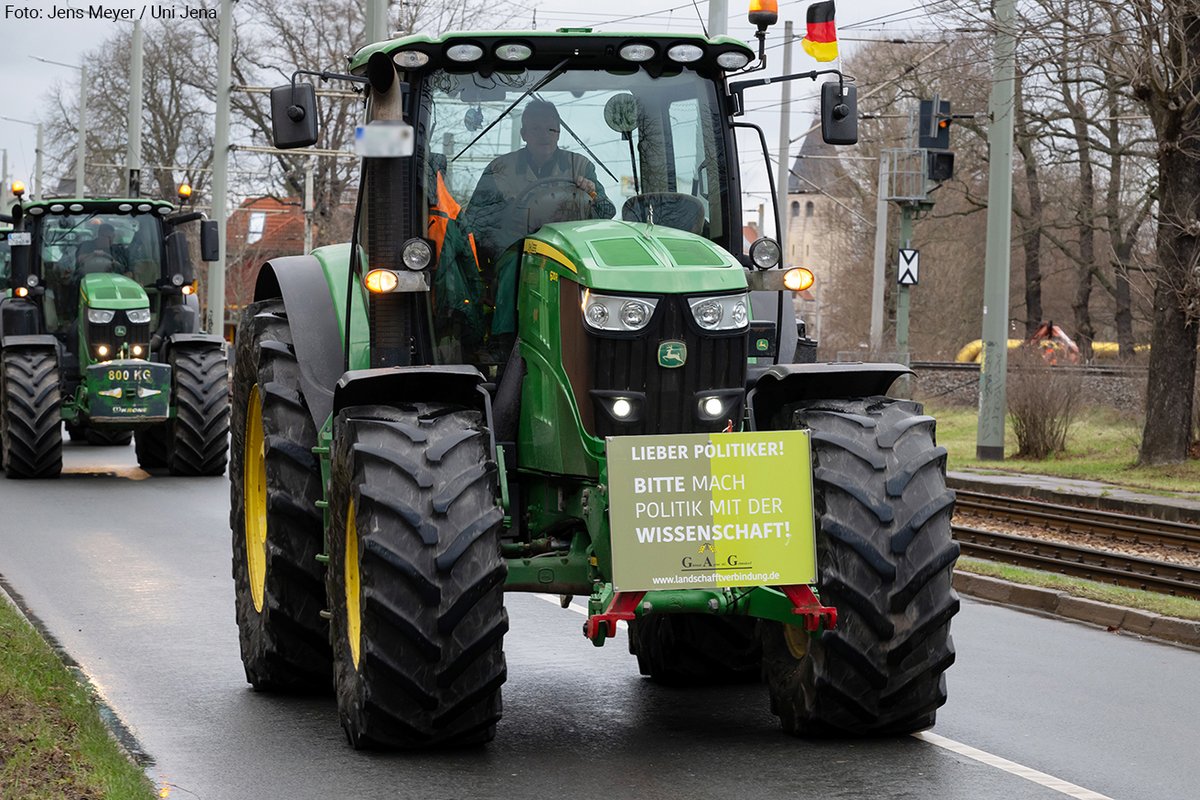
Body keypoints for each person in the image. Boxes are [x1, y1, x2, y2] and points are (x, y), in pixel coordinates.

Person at [465, 100, 615, 344]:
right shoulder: (501, 169)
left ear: (559, 132)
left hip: (570, 251)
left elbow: (607, 212)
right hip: (516, 247)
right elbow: (476, 220)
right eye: (535, 129)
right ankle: (504, 341)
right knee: (514, 266)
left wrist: (592, 194)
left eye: (550, 129)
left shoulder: (581, 166)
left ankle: (595, 334)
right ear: (524, 133)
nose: (543, 135)